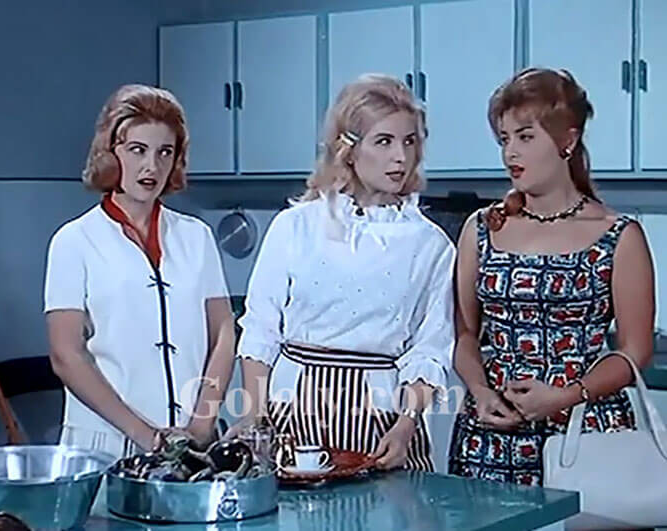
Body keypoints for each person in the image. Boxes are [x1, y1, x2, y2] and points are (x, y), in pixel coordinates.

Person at [233, 74, 456, 471]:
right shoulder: (295, 226)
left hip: (383, 419)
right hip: (292, 414)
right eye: (384, 142)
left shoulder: (431, 244)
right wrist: (254, 417)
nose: (400, 157)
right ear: (349, 149)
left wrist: (406, 426)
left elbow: (430, 347)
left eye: (409, 142)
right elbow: (261, 328)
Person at [448, 68, 655, 485]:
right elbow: (465, 335)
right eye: (504, 139)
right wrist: (481, 392)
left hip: (586, 436)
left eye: (525, 137)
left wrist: (566, 396)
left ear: (567, 140)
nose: (510, 153)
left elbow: (635, 351)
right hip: (491, 439)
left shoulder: (619, 236)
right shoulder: (482, 228)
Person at [44, 84, 235, 457]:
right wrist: (147, 436)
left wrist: (201, 424)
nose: (152, 166)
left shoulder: (196, 237)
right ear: (110, 153)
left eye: (165, 152)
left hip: (191, 442)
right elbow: (66, 355)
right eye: (137, 150)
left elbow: (224, 332)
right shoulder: (74, 241)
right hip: (105, 443)